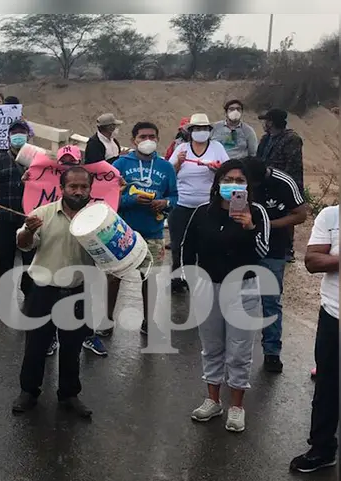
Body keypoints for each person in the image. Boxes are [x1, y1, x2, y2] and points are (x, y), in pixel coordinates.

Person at [181, 160, 270, 433]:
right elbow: (187, 247)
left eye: (239, 180)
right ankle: (212, 400)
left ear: (247, 186)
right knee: (211, 346)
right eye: (228, 179)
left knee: (240, 350)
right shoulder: (201, 212)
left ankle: (237, 406)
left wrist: (249, 227)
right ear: (217, 182)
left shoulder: (256, 212)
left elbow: (264, 252)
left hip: (243, 288)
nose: (233, 185)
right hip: (208, 286)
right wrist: (191, 279)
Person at [13, 166, 97, 418]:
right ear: (62, 188)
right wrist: (28, 229)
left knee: (72, 347)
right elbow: (23, 245)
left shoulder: (98, 218)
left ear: (90, 189)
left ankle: (69, 394)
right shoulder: (42, 214)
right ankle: (29, 391)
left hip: (76, 292)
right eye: (73, 186)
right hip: (42, 291)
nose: (79, 192)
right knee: (36, 345)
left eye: (84, 187)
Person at [102, 122, 180, 351]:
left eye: (152, 136)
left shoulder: (166, 167)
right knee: (114, 277)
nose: (148, 140)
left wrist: (165, 203)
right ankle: (107, 320)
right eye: (143, 136)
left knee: (151, 279)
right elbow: (109, 198)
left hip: (153, 233)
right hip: (122, 232)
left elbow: (175, 196)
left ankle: (148, 321)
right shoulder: (120, 164)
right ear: (134, 139)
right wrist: (130, 200)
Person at [241, 157, 309, 373]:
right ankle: (235, 350)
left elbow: (301, 214)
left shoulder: (284, 182)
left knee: (270, 302)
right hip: (242, 247)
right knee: (237, 300)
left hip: (274, 250)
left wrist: (267, 225)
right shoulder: (238, 180)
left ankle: (272, 352)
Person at [290, 205, 339, 472]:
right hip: (335, 314)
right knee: (328, 386)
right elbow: (312, 261)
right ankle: (322, 449)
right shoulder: (331, 216)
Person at [168, 113, 230, 293]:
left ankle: (206, 278)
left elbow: (229, 171)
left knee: (206, 243)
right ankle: (179, 278)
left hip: (208, 206)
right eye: (197, 129)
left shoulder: (217, 148)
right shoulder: (182, 149)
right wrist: (178, 163)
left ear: (209, 131)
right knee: (180, 244)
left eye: (204, 129)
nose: (200, 132)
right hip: (182, 205)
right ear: (191, 131)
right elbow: (170, 175)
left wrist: (217, 170)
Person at [0, 120, 31, 304]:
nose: (18, 135)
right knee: (5, 256)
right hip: (5, 215)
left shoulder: (36, 159)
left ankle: (29, 290)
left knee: (29, 256)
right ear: (8, 137)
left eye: (22, 132)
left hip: (29, 218)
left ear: (28, 135)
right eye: (15, 132)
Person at [257, 107, 305, 262]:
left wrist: (286, 186)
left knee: (288, 215)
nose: (264, 124)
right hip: (265, 184)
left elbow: (293, 165)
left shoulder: (292, 139)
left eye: (266, 120)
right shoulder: (266, 139)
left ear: (271, 122)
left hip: (285, 184)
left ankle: (287, 249)